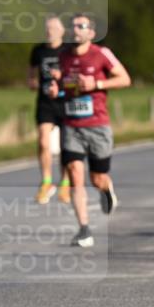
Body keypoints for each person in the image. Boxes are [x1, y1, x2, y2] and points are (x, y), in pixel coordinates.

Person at [45, 13, 131, 248]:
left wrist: (97, 84)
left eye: (81, 26)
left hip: (98, 125)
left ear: (91, 33)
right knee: (74, 174)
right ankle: (83, 229)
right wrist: (55, 88)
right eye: (73, 26)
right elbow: (62, 84)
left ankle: (106, 189)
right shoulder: (62, 56)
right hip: (72, 125)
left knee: (97, 178)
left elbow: (125, 79)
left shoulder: (101, 54)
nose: (76, 30)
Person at [28, 15, 70, 204]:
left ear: (62, 31)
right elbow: (31, 74)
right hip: (45, 102)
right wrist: (33, 81)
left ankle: (65, 183)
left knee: (65, 145)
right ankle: (46, 181)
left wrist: (61, 78)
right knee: (44, 141)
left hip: (65, 101)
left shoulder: (68, 50)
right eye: (47, 28)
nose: (49, 31)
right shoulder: (38, 51)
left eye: (53, 28)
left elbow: (75, 73)